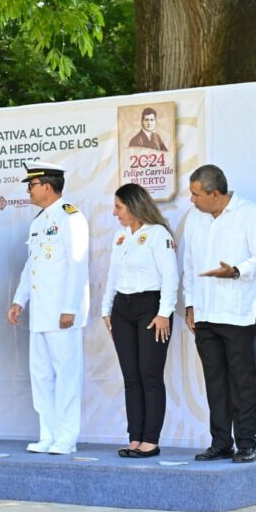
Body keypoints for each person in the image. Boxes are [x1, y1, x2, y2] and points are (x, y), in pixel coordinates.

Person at [183, 165, 256, 463]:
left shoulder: (250, 213)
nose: (192, 200)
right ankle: (221, 442)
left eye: (196, 194)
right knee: (214, 381)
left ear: (215, 193)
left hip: (238, 315)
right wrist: (190, 305)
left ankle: (247, 443)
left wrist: (237, 271)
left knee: (242, 381)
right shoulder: (194, 219)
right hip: (205, 314)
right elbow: (189, 264)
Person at [7, 162, 89, 455]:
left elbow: (77, 264)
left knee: (67, 376)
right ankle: (48, 433)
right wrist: (19, 300)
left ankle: (66, 437)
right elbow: (33, 265)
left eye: (32, 184)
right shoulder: (40, 221)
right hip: (40, 313)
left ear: (47, 186)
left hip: (62, 314)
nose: (28, 190)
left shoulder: (71, 217)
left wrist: (71, 307)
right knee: (41, 376)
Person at [101, 183, 178, 459]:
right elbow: (112, 275)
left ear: (134, 206)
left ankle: (150, 440)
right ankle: (135, 437)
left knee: (150, 374)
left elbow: (170, 275)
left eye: (119, 207)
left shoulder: (157, 234)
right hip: (123, 308)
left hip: (150, 307)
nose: (115, 213)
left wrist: (163, 313)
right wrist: (105, 309)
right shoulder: (121, 237)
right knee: (131, 376)